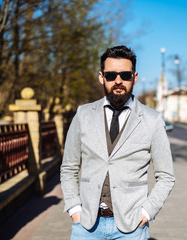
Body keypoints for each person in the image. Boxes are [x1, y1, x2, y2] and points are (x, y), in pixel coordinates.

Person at [60, 45, 175, 239]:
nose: (118, 81)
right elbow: (68, 167)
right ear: (101, 77)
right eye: (111, 75)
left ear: (134, 77)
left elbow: (166, 176)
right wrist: (74, 208)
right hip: (86, 225)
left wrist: (147, 213)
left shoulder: (152, 120)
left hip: (131, 227)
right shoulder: (83, 114)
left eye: (125, 75)